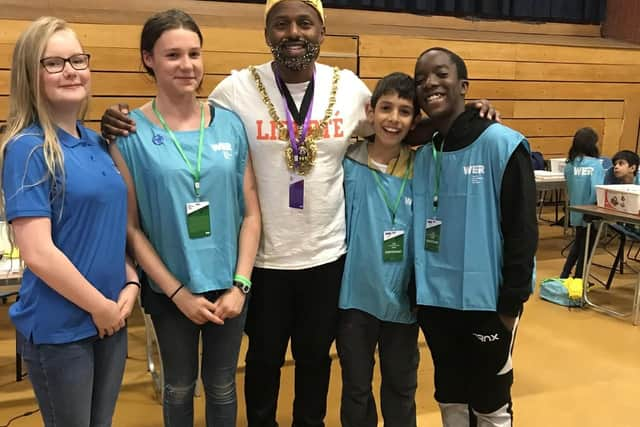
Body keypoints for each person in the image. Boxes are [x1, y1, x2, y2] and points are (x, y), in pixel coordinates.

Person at [99, 2, 498, 425]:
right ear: (267, 32)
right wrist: (120, 119)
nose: (294, 32)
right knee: (263, 360)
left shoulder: (349, 88)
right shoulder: (235, 90)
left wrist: (462, 114)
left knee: (314, 361)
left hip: (326, 256)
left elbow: (399, 126)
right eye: (282, 24)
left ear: (322, 31)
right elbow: (186, 114)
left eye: (305, 23)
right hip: (263, 261)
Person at [107, 10, 261, 427]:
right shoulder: (128, 133)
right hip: (170, 290)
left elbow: (251, 212)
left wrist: (240, 285)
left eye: (194, 53)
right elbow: (130, 226)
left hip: (230, 287)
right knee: (177, 386)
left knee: (223, 384)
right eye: (172, 54)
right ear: (148, 59)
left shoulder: (229, 125)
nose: (187, 64)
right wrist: (177, 294)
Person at [0, 17, 138, 426]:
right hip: (63, 329)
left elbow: (109, 232)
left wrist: (130, 281)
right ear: (32, 73)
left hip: (111, 316)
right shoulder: (27, 148)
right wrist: (99, 307)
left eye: (78, 59)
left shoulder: (96, 141)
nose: (71, 70)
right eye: (55, 63)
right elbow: (38, 253)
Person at [412, 47, 537, 426]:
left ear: (464, 85)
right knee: (449, 394)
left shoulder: (502, 144)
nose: (429, 83)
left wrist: (508, 308)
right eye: (420, 79)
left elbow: (522, 231)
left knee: (489, 400)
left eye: (440, 74)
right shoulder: (421, 155)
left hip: (488, 307)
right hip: (435, 304)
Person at [337, 72, 420, 427]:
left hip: (402, 301)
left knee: (401, 388)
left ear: (415, 120)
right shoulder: (346, 162)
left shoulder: (423, 166)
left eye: (404, 111)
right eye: (386, 108)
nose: (393, 119)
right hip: (355, 300)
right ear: (370, 111)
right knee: (356, 388)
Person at [560, 127, 606, 279]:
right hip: (590, 213)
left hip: (575, 211)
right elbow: (597, 189)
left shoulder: (569, 164)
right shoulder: (596, 165)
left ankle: (565, 275)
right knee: (586, 248)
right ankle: (579, 280)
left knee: (578, 243)